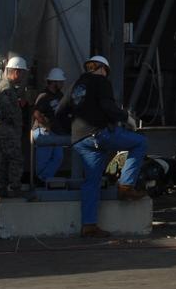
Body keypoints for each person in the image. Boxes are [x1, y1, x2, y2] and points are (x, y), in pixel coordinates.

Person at [57, 55, 148, 238]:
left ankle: (89, 226)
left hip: (81, 141)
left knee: (91, 182)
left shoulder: (75, 85)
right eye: (106, 71)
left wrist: (74, 131)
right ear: (103, 69)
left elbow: (59, 112)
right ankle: (126, 186)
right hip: (99, 134)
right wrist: (126, 118)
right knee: (140, 142)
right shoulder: (101, 81)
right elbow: (107, 106)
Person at [0, 55, 28, 198]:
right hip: (8, 130)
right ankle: (15, 188)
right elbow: (7, 110)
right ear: (16, 72)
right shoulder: (6, 88)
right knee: (15, 158)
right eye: (22, 73)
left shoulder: (10, 87)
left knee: (5, 159)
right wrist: (17, 121)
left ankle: (2, 188)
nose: (22, 76)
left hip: (9, 130)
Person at [31, 68, 68, 183]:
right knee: (44, 159)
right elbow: (36, 113)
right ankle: (40, 181)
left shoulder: (60, 95)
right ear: (54, 82)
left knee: (58, 157)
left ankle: (43, 179)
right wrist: (47, 126)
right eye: (60, 82)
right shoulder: (44, 96)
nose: (62, 84)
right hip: (44, 131)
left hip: (55, 133)